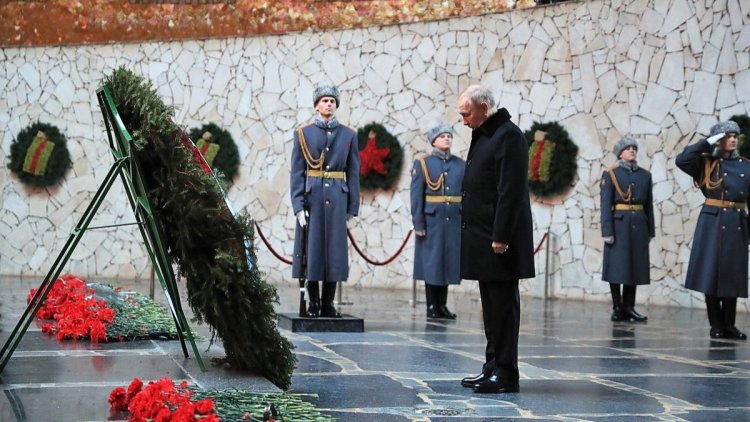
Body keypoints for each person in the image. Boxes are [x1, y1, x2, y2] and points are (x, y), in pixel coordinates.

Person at [457, 85, 534, 393]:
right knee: (491, 306)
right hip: (483, 236)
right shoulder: (487, 135)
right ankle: (492, 366)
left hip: (499, 239)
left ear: (484, 107)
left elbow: (510, 190)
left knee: (503, 306)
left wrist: (501, 235)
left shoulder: (508, 136)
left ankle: (506, 373)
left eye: (467, 113)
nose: (463, 120)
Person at [290, 85, 360, 318]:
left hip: (338, 199)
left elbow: (353, 172)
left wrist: (352, 206)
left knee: (334, 253)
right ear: (316, 105)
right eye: (324, 100)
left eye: (332, 101)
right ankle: (313, 303)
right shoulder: (303, 134)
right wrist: (298, 206)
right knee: (313, 251)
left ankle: (328, 303)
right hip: (313, 199)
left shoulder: (349, 135)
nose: (329, 104)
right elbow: (298, 172)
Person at [676, 121, 748, 340]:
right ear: (718, 139)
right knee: (710, 274)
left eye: (735, 135)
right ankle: (716, 324)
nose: (733, 139)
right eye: (727, 136)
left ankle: (730, 324)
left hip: (737, 223)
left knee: (732, 276)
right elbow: (682, 159)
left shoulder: (746, 165)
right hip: (712, 223)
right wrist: (707, 142)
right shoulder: (706, 163)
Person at [410, 124, 465, 319]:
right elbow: (416, 196)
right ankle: (431, 305)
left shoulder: (460, 164)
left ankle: (442, 305)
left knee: (449, 263)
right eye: (442, 136)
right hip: (431, 221)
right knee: (432, 264)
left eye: (449, 136)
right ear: (434, 141)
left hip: (453, 221)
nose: (447, 139)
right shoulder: (423, 163)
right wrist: (418, 223)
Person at [600, 137, 654, 323]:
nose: (632, 150)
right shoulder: (611, 174)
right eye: (628, 148)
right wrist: (607, 230)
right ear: (620, 153)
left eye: (634, 148)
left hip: (639, 224)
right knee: (616, 268)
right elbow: (605, 204)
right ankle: (617, 306)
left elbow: (649, 205)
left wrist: (650, 230)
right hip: (618, 225)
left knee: (634, 267)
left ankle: (629, 307)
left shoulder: (645, 175)